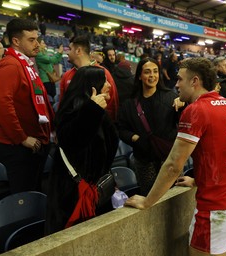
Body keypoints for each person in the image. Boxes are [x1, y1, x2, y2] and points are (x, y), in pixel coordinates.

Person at [125, 57, 226, 256]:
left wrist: (147, 201)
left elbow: (173, 165)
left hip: (218, 210)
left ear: (194, 81)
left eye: (180, 79)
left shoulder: (195, 110)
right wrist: (197, 180)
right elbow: (224, 157)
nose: (176, 84)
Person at [46, 66, 119, 234]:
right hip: (73, 196)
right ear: (92, 85)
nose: (109, 85)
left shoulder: (98, 109)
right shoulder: (75, 109)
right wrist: (92, 110)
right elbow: (75, 141)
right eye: (104, 81)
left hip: (95, 193)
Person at [0, 18, 54, 194]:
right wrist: (22, 137)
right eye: (31, 40)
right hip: (19, 146)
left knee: (33, 190)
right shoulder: (11, 65)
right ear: (16, 41)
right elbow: (1, 104)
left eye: (37, 39)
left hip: (34, 141)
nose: (37, 44)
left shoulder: (26, 63)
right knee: (24, 194)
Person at [118, 57, 178, 196]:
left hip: (168, 159)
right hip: (144, 160)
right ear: (139, 75)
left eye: (155, 71)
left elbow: (182, 124)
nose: (152, 76)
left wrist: (182, 107)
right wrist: (135, 138)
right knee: (149, 197)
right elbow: (121, 129)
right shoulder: (129, 104)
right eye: (147, 72)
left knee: (172, 197)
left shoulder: (171, 97)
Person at [59, 36, 119, 121]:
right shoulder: (66, 76)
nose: (67, 52)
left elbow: (112, 105)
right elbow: (62, 107)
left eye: (70, 49)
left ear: (78, 51)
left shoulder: (103, 73)